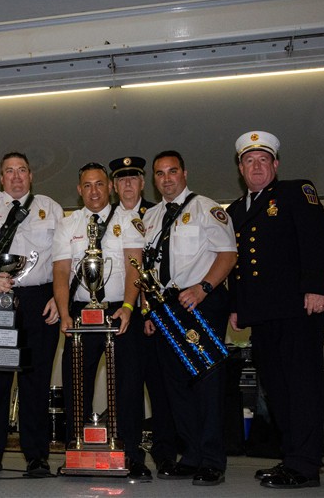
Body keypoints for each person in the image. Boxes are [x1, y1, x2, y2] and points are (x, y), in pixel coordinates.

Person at [227, 130, 324, 489]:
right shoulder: (233, 209)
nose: (256, 167)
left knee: (301, 386)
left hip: (297, 306)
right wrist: (237, 307)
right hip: (260, 313)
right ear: (240, 168)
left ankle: (304, 465)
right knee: (275, 387)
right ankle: (293, 456)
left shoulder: (295, 191)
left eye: (263, 160)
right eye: (249, 161)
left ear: (275, 164)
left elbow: (317, 239)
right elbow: (237, 264)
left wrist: (317, 287)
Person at [141, 150, 236, 486]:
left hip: (200, 304)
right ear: (154, 179)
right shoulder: (150, 217)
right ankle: (192, 454)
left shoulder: (206, 209)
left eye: (172, 171)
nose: (166, 179)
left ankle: (213, 460)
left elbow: (229, 254)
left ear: (184, 173)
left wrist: (204, 288)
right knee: (176, 387)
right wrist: (149, 311)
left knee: (206, 384)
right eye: (160, 173)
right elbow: (147, 269)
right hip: (164, 309)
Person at [0, 152, 63, 477]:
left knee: (35, 381)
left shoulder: (51, 207)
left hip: (39, 299)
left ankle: (37, 457)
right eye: (10, 171)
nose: (17, 176)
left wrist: (57, 298)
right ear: (1, 177)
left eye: (22, 170)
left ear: (31, 175)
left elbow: (64, 258)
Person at [52, 161, 151, 480]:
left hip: (120, 311)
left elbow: (133, 266)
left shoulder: (128, 220)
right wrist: (65, 313)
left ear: (109, 187)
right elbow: (62, 271)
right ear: (79, 191)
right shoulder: (69, 224)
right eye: (87, 186)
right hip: (81, 313)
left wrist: (127, 306)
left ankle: (132, 455)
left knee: (129, 384)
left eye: (99, 184)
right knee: (74, 383)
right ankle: (75, 450)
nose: (93, 191)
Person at [109, 156, 177, 475]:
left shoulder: (159, 215)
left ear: (142, 182)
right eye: (121, 179)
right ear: (113, 185)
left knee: (160, 387)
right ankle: (131, 454)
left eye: (133, 178)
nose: (127, 185)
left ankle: (166, 454)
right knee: (128, 388)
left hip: (154, 315)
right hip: (122, 315)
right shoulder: (104, 219)